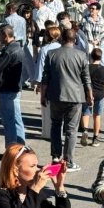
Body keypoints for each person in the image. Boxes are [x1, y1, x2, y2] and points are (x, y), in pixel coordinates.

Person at [40, 29, 92, 172]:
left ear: (62, 39)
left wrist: (42, 96)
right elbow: (86, 79)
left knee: (56, 126)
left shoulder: (52, 54)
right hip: (75, 97)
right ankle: (68, 161)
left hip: (56, 95)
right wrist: (89, 96)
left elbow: (45, 78)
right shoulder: (81, 55)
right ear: (75, 40)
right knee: (71, 130)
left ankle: (56, 157)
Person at [0, 25, 26, 145]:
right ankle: (20, 146)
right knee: (16, 119)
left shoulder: (9, 51)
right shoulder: (17, 48)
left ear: (5, 35)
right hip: (14, 88)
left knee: (9, 121)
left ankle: (12, 148)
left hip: (7, 89)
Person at [81, 48, 104, 147]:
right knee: (97, 116)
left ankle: (85, 130)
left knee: (86, 113)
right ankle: (95, 138)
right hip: (99, 94)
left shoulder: (86, 67)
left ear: (91, 57)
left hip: (87, 93)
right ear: (101, 57)